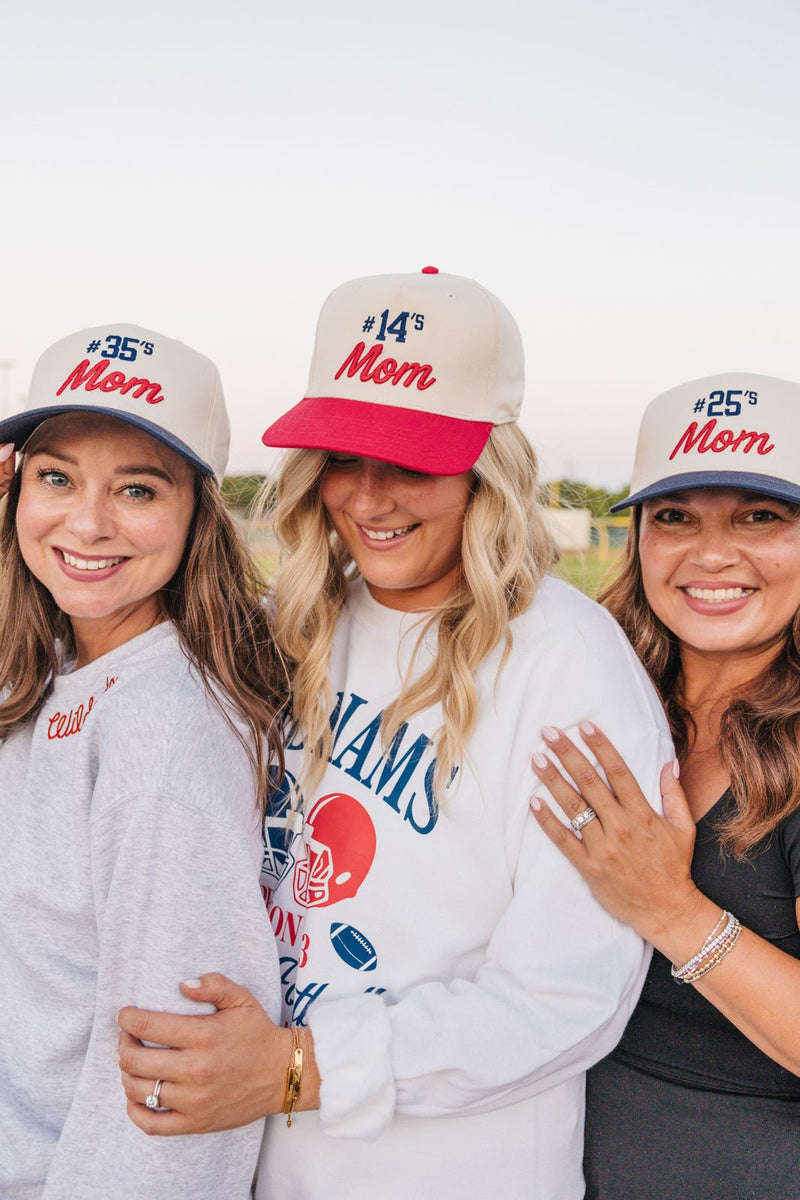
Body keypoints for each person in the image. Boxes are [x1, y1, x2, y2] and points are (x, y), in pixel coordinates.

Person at [117, 268, 673, 1199]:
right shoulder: (296, 620)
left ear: (486, 468)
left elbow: (567, 996)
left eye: (411, 460)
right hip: (256, 1162)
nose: (369, 498)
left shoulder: (566, 662)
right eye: (343, 456)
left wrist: (297, 1068)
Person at [0, 325, 287, 1198]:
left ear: (199, 512)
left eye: (137, 488)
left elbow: (173, 1089)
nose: (87, 523)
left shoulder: (162, 731)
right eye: (57, 478)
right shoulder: (54, 659)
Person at [529, 372, 800, 1200]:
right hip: (550, 1155)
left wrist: (671, 910)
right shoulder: (592, 690)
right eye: (676, 517)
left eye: (761, 517)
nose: (711, 555)